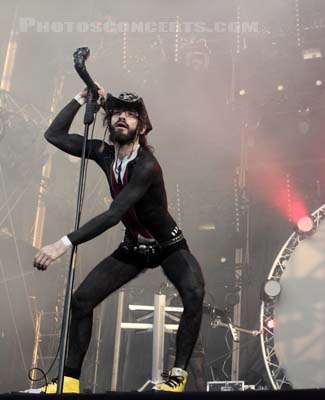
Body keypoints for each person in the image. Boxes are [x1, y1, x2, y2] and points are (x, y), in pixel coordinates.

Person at [29, 85, 205, 393]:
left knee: (194, 293)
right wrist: (80, 99)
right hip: (133, 247)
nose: (122, 118)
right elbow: (54, 135)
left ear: (143, 126)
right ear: (108, 122)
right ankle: (69, 381)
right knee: (81, 301)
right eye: (117, 114)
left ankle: (177, 375)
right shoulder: (103, 152)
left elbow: (114, 214)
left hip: (167, 246)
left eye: (131, 114)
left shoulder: (146, 165)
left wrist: (62, 244)